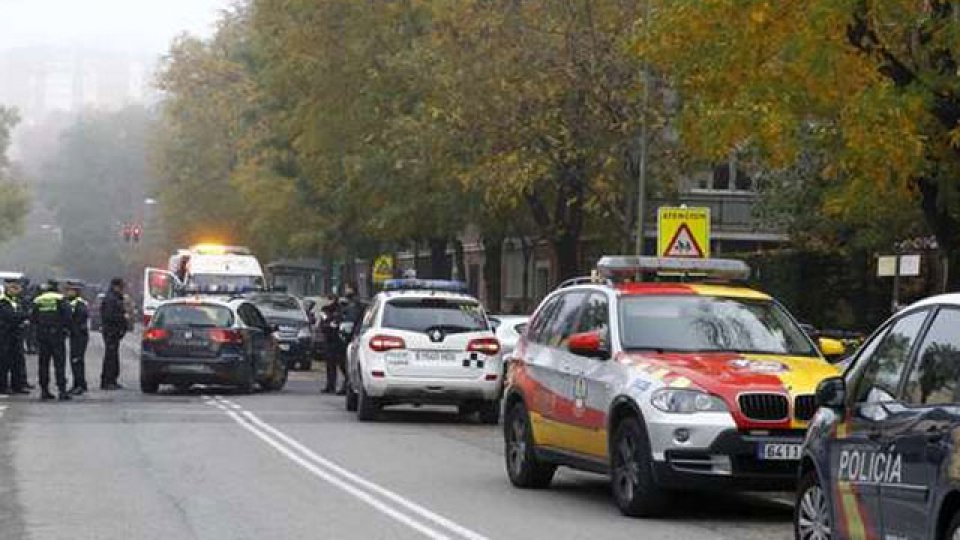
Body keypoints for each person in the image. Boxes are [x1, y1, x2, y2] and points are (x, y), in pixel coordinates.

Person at [31, 280, 71, 401]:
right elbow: (68, 316)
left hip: (42, 334)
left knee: (43, 363)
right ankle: (62, 390)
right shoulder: (60, 298)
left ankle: (44, 390)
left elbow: (33, 317)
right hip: (57, 334)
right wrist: (65, 329)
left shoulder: (39, 299)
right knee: (59, 363)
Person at [0, 278, 30, 395]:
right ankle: (3, 386)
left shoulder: (17, 301)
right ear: (7, 288)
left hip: (16, 334)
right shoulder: (3, 301)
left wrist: (22, 316)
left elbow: (24, 313)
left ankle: (18, 385)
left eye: (17, 288)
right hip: (5, 334)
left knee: (18, 361)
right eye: (13, 287)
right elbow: (10, 316)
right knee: (4, 362)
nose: (16, 290)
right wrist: (23, 317)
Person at [100, 277, 128, 390]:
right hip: (111, 331)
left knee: (112, 356)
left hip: (113, 331)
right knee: (110, 356)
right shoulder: (111, 299)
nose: (123, 289)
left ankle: (111, 380)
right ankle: (107, 381)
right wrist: (122, 318)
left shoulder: (114, 298)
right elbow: (110, 316)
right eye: (121, 287)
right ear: (116, 286)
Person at [65, 280, 89, 396]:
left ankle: (79, 385)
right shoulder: (72, 302)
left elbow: (79, 319)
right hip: (76, 334)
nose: (67, 292)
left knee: (77, 360)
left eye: (70, 290)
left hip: (79, 335)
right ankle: (78, 384)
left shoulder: (78, 304)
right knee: (75, 360)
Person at [320, 294, 346, 394]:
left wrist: (331, 323)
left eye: (331, 299)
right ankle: (330, 385)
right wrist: (329, 324)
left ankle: (345, 384)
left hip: (338, 339)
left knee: (342, 363)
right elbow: (324, 323)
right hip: (329, 339)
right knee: (330, 364)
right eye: (328, 299)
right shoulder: (325, 309)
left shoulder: (340, 309)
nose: (329, 301)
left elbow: (337, 323)